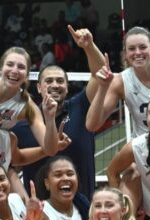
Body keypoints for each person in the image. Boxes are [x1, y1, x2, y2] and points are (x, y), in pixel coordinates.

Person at [16, 25, 105, 201]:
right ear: (39, 88)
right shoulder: (23, 123)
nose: (55, 85)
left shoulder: (80, 106)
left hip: (82, 207)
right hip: (40, 214)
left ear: (67, 86)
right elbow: (13, 165)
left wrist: (88, 47)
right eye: (49, 81)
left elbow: (100, 73)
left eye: (60, 81)